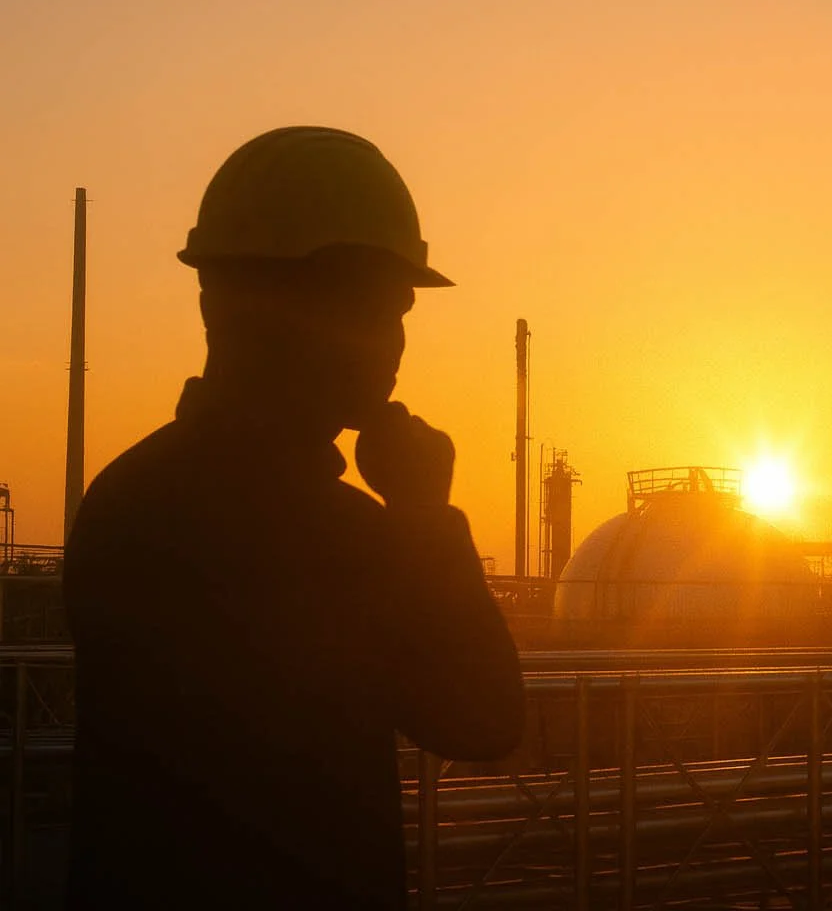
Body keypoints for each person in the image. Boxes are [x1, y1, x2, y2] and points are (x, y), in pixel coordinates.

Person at [62, 127, 525, 909]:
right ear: (281, 312)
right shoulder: (328, 535)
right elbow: (482, 717)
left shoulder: (124, 498)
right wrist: (422, 513)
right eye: (378, 311)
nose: (395, 346)